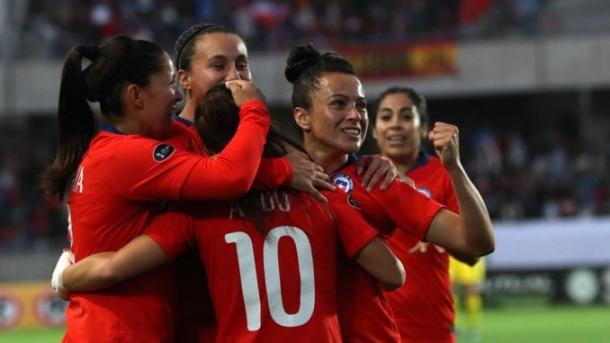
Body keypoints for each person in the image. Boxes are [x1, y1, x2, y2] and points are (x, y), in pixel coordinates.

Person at [53, 84, 406, 343]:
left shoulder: (194, 215)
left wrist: (65, 277)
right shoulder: (322, 197)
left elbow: (112, 267)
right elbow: (392, 274)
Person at [42, 36, 272, 343]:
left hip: (109, 327)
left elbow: (201, 149)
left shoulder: (115, 149)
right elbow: (231, 176)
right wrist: (255, 110)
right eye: (168, 84)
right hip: (119, 331)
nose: (175, 97)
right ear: (136, 95)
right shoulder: (129, 156)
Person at [283, 44, 495, 342]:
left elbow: (475, 244)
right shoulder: (272, 176)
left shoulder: (378, 181)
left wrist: (455, 168)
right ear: (302, 117)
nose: (355, 115)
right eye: (339, 104)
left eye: (360, 105)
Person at [372, 86, 482, 342]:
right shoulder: (357, 178)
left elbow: (472, 253)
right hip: (374, 329)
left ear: (424, 129)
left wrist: (428, 227)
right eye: (386, 117)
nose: (395, 124)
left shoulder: (444, 175)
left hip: (432, 327)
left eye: (406, 116)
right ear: (375, 130)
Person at [450, 256, 486, 341]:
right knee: (450, 290)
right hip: (450, 254)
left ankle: (474, 328)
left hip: (468, 251)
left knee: (471, 291)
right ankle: (452, 325)